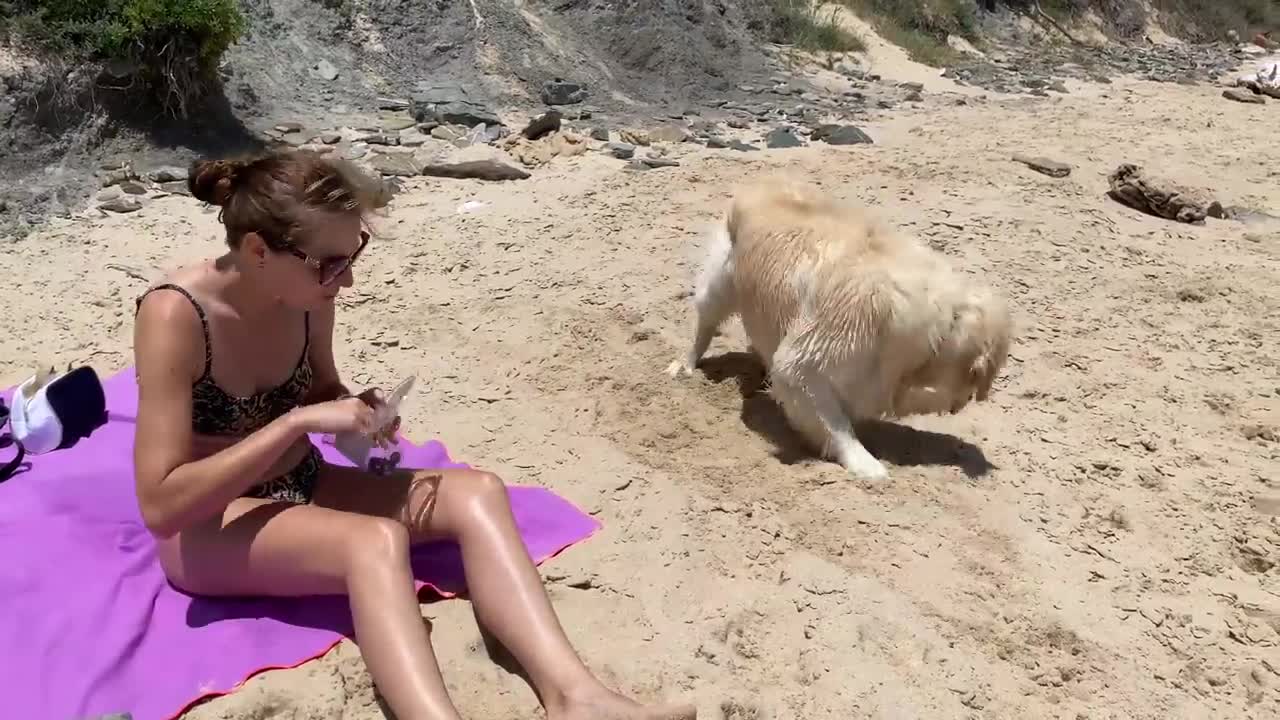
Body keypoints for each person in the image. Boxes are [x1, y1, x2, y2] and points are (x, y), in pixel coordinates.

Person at [131, 149, 696, 720]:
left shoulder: (306, 296)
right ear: (258, 251)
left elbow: (320, 388)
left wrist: (355, 408)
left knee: (477, 492)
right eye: (329, 263)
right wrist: (295, 424)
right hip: (211, 523)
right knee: (374, 542)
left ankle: (578, 698)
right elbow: (161, 504)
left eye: (354, 255)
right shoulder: (176, 316)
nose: (345, 278)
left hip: (302, 481)